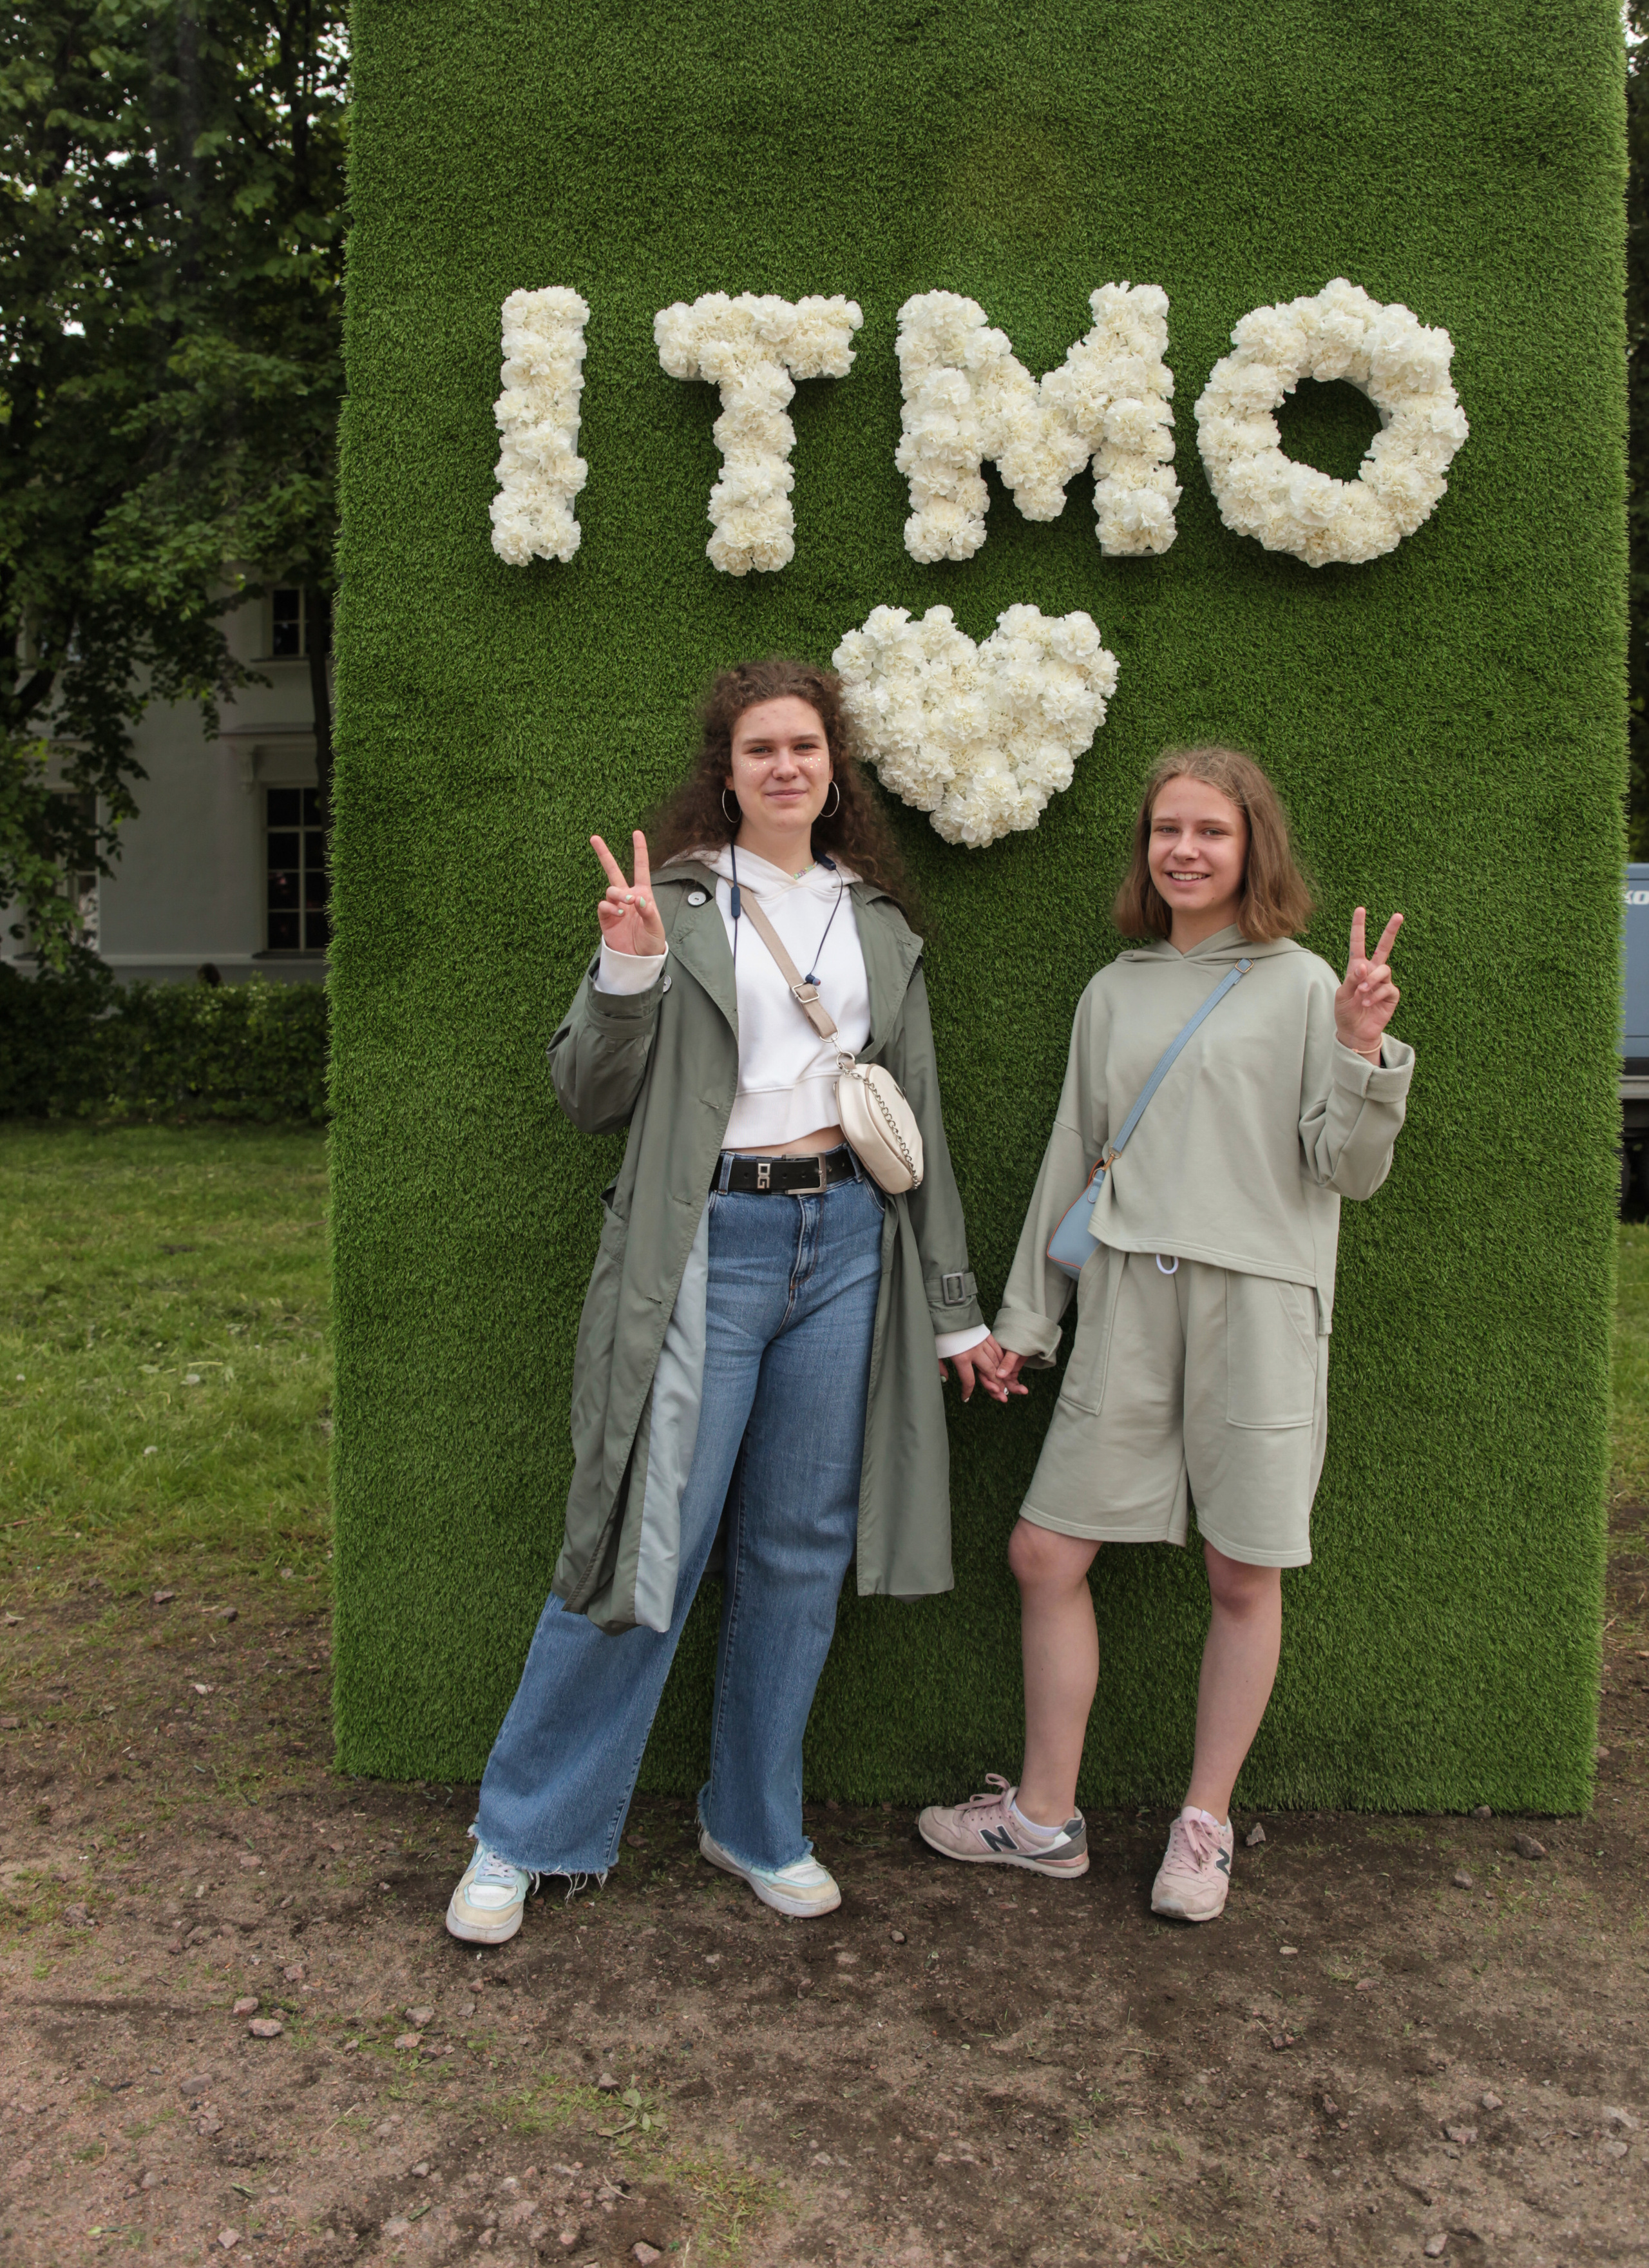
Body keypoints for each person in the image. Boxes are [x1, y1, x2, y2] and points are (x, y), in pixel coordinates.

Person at [447, 658, 1002, 1944]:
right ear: (727, 770)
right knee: (648, 1541)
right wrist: (624, 970)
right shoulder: (680, 902)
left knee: (797, 1554)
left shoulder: (875, 922)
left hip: (848, 1243)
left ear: (832, 768)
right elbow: (586, 1096)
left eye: (804, 746)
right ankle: (521, 1832)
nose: (785, 767)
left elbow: (917, 1123)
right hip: (710, 1242)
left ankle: (752, 1823)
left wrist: (954, 1305)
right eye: (759, 749)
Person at [918, 745, 1412, 1922]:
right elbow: (1074, 1162)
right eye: (1166, 831)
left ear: (1255, 850)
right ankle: (1043, 1821)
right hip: (1132, 1295)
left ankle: (1204, 1827)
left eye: (1211, 832)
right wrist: (1026, 1326)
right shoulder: (1114, 989)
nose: (1184, 850)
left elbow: (1349, 1168)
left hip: (1258, 1302)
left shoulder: (1302, 986)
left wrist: (1358, 1047)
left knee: (1242, 1566)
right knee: (1047, 1553)